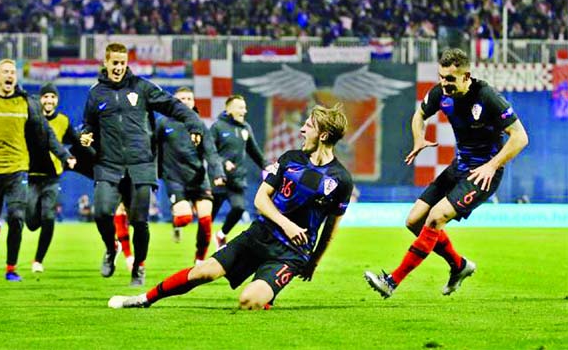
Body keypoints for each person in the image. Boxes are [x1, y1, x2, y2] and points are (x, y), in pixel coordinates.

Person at [108, 104, 354, 309]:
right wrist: (287, 225)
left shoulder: (340, 179)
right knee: (203, 272)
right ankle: (142, 299)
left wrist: (314, 261)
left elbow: (331, 229)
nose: (302, 129)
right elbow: (260, 200)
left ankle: (266, 293)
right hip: (259, 235)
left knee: (248, 301)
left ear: (322, 135)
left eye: (308, 126)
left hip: (291, 254)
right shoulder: (290, 159)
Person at [364, 48, 529, 298]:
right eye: (441, 77)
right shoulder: (440, 94)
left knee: (435, 217)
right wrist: (419, 137)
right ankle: (459, 266)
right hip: (458, 167)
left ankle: (392, 282)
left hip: (482, 174)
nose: (444, 83)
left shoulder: (487, 97)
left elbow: (520, 137)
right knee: (414, 221)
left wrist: (492, 165)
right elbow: (419, 115)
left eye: (450, 78)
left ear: (466, 76)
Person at [80, 42, 203, 286]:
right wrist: (86, 134)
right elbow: (89, 124)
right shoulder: (96, 93)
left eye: (122, 63)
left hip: (140, 166)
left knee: (139, 222)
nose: (118, 67)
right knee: (102, 212)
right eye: (114, 63)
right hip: (109, 165)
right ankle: (110, 247)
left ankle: (138, 267)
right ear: (106, 63)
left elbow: (172, 105)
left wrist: (194, 123)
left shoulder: (143, 87)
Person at [0, 59, 72, 281]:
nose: (10, 75)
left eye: (13, 72)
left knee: (17, 216)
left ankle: (11, 268)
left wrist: (64, 155)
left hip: (18, 169)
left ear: (16, 78)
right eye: (5, 72)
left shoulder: (27, 103)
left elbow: (46, 132)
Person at [156, 87, 225, 263]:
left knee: (205, 221)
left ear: (194, 102)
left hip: (198, 179)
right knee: (185, 218)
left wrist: (218, 173)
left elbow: (211, 152)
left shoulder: (200, 125)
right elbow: (153, 150)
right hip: (174, 179)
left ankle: (199, 260)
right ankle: (176, 223)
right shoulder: (163, 123)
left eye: (189, 98)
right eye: (181, 98)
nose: (185, 101)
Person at [25, 83, 83, 273]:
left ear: (57, 100)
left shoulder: (63, 121)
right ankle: (38, 216)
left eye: (52, 97)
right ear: (40, 99)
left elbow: (76, 142)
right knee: (32, 223)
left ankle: (38, 261)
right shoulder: (30, 119)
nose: (49, 100)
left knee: (48, 217)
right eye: (46, 97)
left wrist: (81, 154)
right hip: (32, 176)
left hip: (52, 178)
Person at [210, 95, 267, 248]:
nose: (244, 111)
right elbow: (210, 152)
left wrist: (266, 166)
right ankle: (200, 251)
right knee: (208, 217)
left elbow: (254, 151)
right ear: (229, 109)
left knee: (239, 208)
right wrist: (223, 163)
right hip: (218, 179)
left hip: (237, 179)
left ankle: (221, 235)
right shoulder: (217, 127)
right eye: (240, 107)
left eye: (245, 107)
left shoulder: (246, 128)